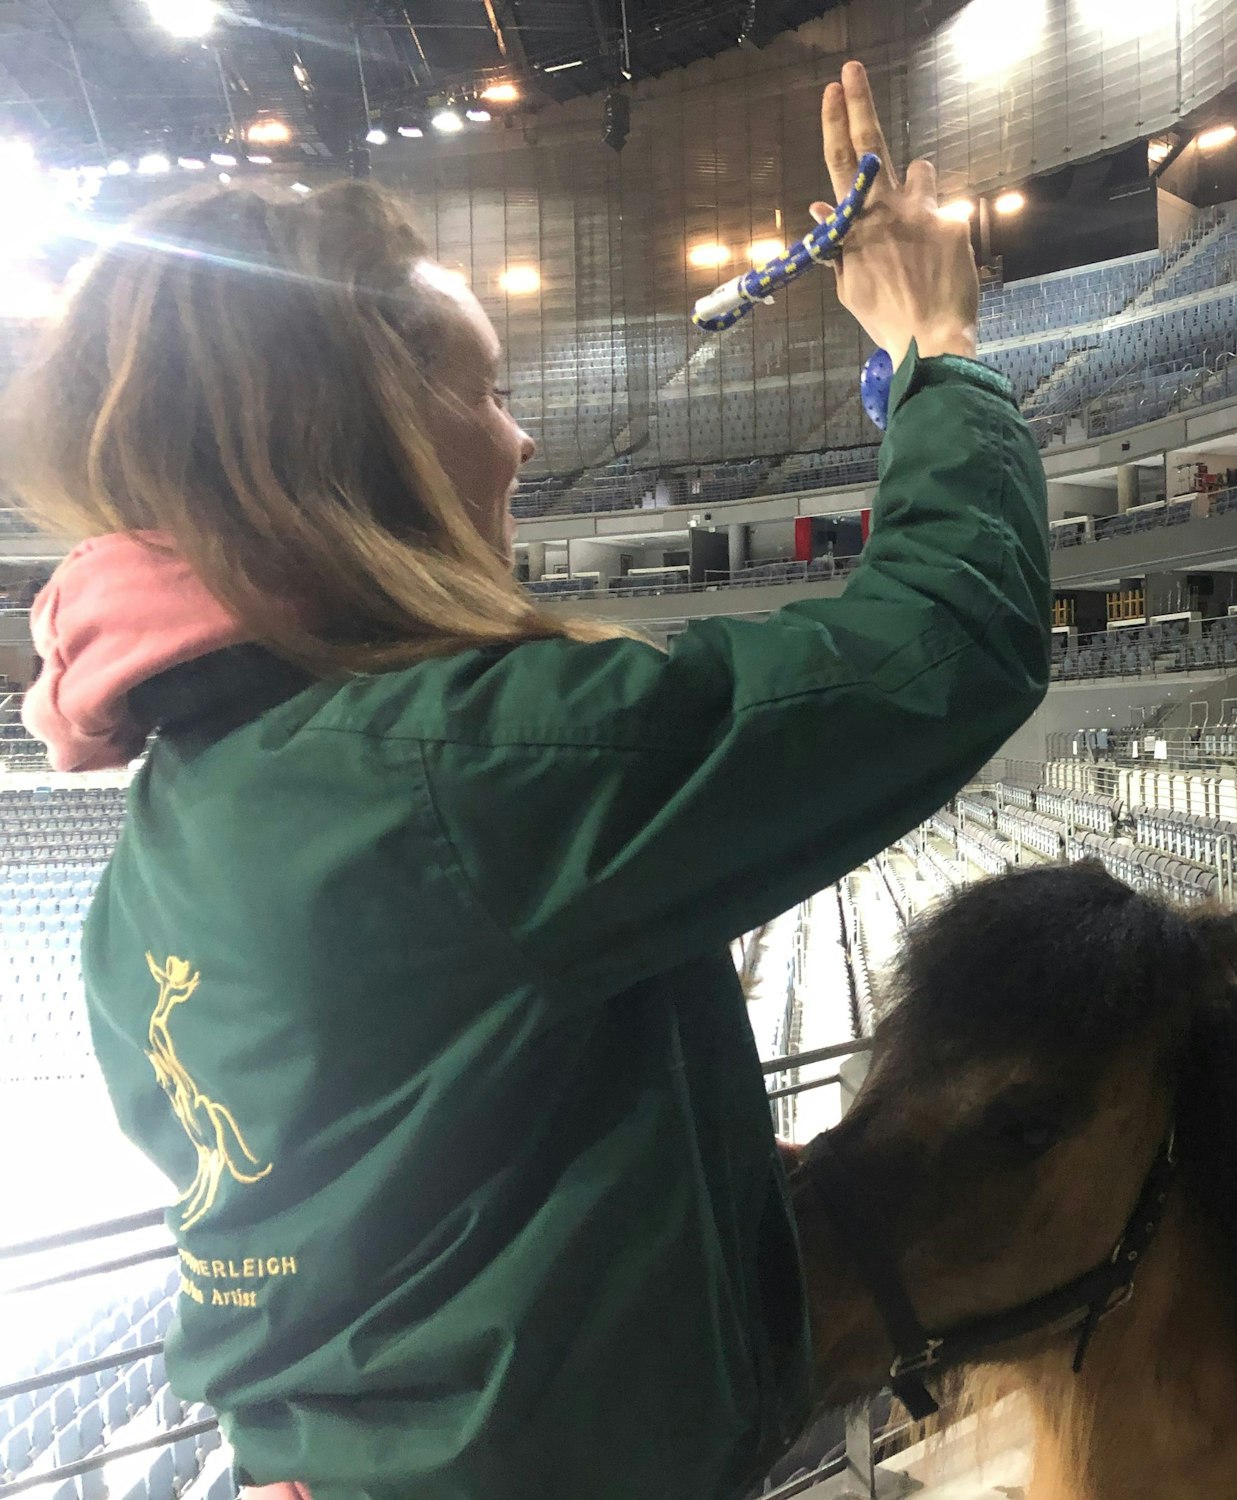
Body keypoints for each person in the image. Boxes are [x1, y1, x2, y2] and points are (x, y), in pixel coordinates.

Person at [1, 61, 1048, 1500]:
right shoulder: (452, 771)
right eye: (487, 390)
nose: (522, 437)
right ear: (365, 447)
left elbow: (422, 1167)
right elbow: (948, 643)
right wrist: (935, 347)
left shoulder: (170, 841)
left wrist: (691, 1185)